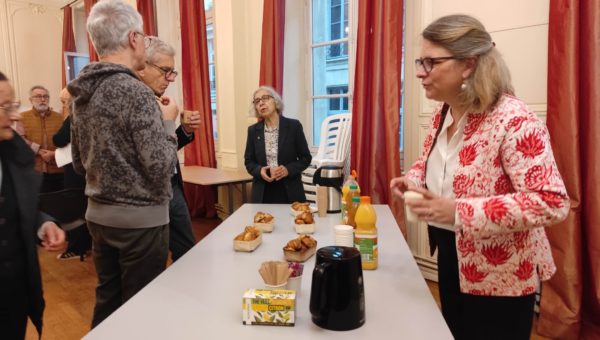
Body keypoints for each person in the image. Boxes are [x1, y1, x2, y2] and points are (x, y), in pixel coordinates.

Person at [390, 14, 569, 340]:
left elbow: (551, 202)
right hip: (450, 252)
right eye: (420, 61)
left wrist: (459, 212)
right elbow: (430, 163)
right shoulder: (443, 110)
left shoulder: (513, 119)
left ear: (469, 64)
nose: (419, 73)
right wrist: (413, 179)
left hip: (501, 274)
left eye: (431, 63)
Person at [68, 0, 178, 327]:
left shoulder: (81, 92)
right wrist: (168, 124)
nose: (145, 42)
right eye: (144, 37)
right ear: (133, 39)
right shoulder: (135, 91)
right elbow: (161, 167)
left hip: (99, 219)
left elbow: (77, 163)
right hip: (140, 224)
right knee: (141, 314)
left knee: (109, 304)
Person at [0, 71, 66, 339]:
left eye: (14, 106)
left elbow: (16, 208)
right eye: (5, 107)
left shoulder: (12, 154)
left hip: (13, 293)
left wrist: (43, 225)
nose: (15, 116)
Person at [137, 36, 201, 261]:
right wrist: (168, 123)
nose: (170, 79)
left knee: (187, 252)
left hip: (173, 188)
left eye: (173, 72)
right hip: (151, 195)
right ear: (142, 66)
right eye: (165, 70)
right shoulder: (134, 103)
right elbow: (147, 157)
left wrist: (184, 130)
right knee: (153, 260)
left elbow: (168, 147)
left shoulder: (159, 101)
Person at [244, 86, 312, 203]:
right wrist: (260, 171)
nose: (261, 103)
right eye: (257, 101)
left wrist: (288, 169)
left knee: (290, 222)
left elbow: (305, 158)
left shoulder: (293, 126)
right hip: (262, 192)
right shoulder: (252, 131)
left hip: (290, 190)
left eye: (265, 98)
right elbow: (249, 162)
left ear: (276, 101)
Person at [52, 87, 90, 260]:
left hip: (75, 171)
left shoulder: (75, 114)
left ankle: (77, 248)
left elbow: (59, 139)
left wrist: (67, 111)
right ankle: (87, 245)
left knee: (75, 210)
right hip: (88, 168)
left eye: (63, 101)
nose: (62, 105)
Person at [17, 85, 64, 192]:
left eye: (46, 96)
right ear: (30, 99)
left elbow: (67, 141)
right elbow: (19, 139)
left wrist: (54, 154)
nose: (43, 99)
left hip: (58, 170)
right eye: (38, 96)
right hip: (33, 170)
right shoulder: (22, 117)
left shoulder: (59, 117)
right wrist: (39, 150)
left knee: (58, 203)